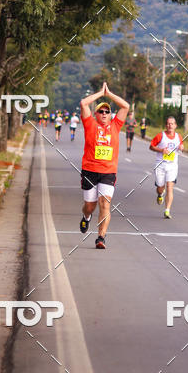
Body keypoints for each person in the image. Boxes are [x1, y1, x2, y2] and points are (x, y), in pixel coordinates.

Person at [79, 82, 129, 249]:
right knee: (90, 206)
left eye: (107, 111)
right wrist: (100, 93)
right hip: (89, 171)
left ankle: (101, 238)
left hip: (108, 172)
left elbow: (126, 106)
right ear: (96, 114)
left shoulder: (115, 125)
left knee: (105, 204)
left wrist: (109, 94)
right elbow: (83, 103)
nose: (105, 113)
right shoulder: (90, 124)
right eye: (101, 111)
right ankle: (86, 218)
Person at [150, 116, 183, 219]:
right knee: (160, 187)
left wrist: (182, 147)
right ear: (166, 125)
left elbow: (181, 147)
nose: (170, 126)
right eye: (168, 124)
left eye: (172, 124)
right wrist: (161, 150)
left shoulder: (179, 137)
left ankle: (167, 210)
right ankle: (160, 194)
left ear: (175, 125)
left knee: (170, 187)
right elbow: (151, 146)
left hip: (172, 166)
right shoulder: (161, 136)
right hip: (160, 164)